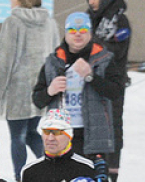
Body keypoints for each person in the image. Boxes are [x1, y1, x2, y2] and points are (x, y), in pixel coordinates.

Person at [0, 0, 59, 182]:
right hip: (41, 89)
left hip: (17, 89)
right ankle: (51, 166)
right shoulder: (49, 23)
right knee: (31, 132)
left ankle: (21, 177)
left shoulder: (13, 22)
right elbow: (56, 54)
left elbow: (4, 58)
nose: (10, 0)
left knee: (18, 136)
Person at [32, 11, 120, 162]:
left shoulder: (104, 59)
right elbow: (37, 100)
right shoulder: (53, 62)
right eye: (72, 30)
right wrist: (50, 90)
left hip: (93, 133)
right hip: (61, 132)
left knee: (91, 181)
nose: (77, 35)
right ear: (66, 34)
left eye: (83, 30)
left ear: (90, 34)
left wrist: (91, 77)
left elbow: (115, 92)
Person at [85, 0, 132, 182]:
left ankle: (112, 170)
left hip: (112, 81)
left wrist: (93, 45)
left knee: (113, 125)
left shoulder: (120, 22)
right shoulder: (87, 18)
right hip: (88, 81)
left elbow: (117, 52)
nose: (91, 2)